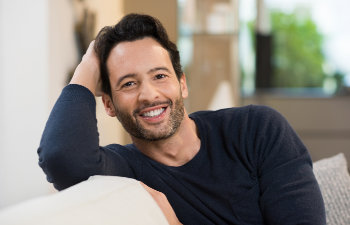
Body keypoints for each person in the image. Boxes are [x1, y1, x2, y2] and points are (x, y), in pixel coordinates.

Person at [38, 13, 326, 224]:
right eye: (128, 84)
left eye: (160, 76)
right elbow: (62, 158)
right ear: (109, 105)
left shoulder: (257, 130)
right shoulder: (123, 168)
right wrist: (86, 68)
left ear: (182, 84)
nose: (149, 95)